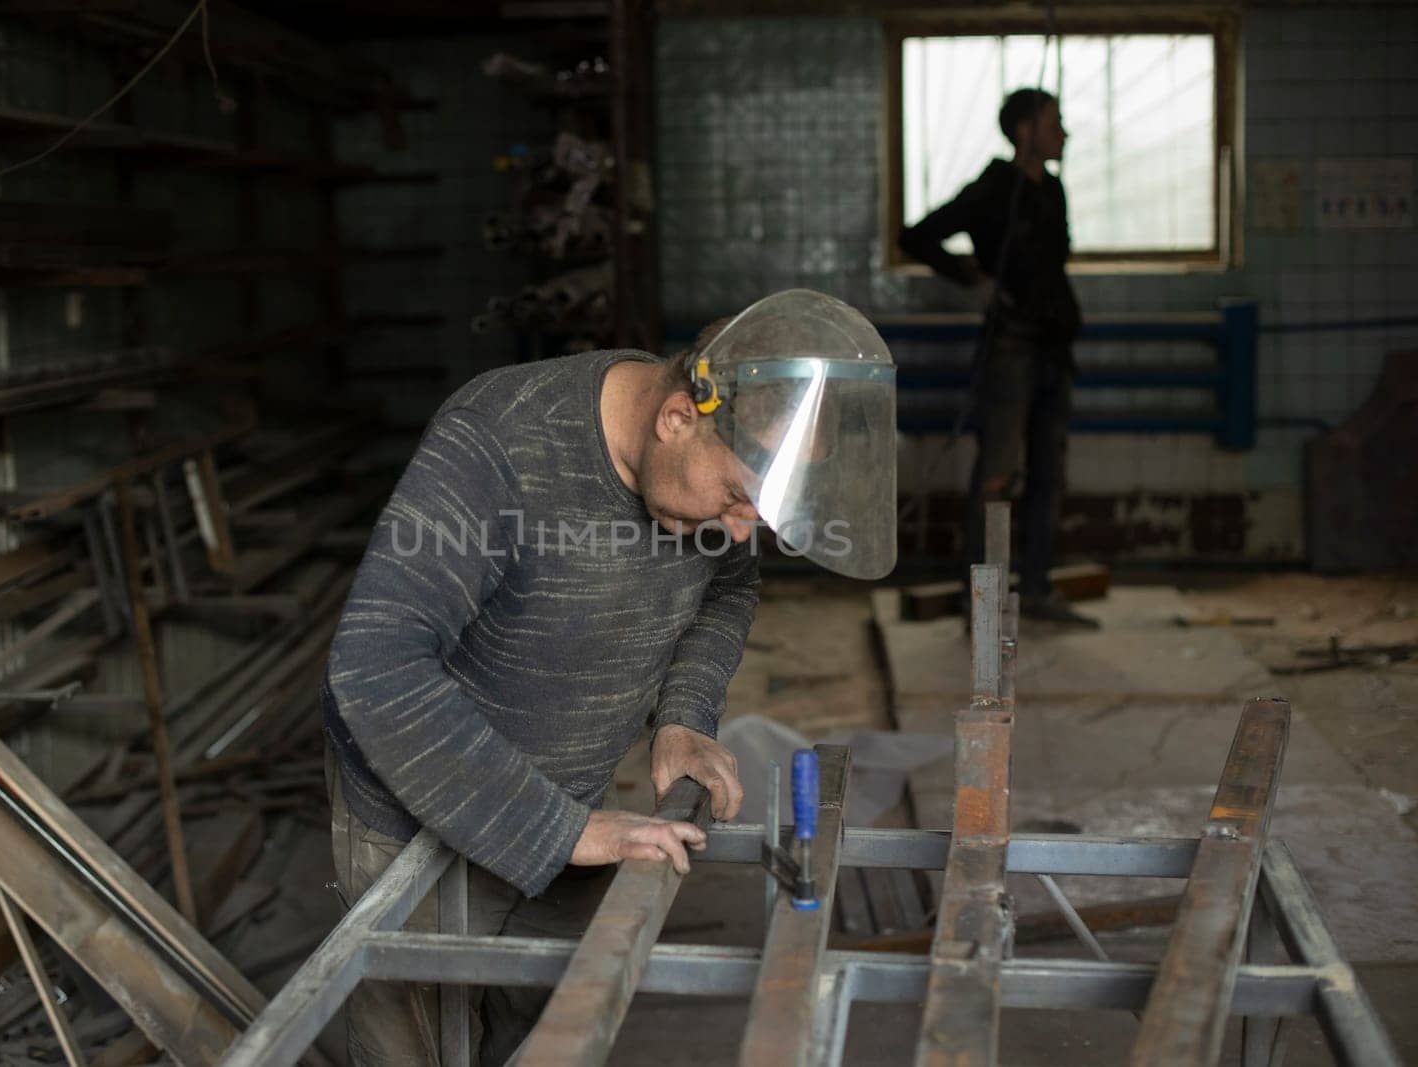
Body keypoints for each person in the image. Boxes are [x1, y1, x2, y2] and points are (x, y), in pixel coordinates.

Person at [322, 289, 897, 1065]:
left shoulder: (710, 487)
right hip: (416, 821)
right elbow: (374, 665)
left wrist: (685, 713)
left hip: (568, 803)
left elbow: (728, 589)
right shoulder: (499, 443)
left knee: (553, 1035)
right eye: (735, 497)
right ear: (676, 418)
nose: (740, 530)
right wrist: (560, 831)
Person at [898, 87, 1098, 627]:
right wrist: (972, 277)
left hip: (1055, 347)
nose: (1064, 133)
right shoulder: (993, 189)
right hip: (1010, 347)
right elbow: (915, 236)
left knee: (1049, 475)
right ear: (1026, 130)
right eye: (1055, 122)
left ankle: (1034, 588)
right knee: (997, 475)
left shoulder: (1051, 190)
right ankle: (980, 600)